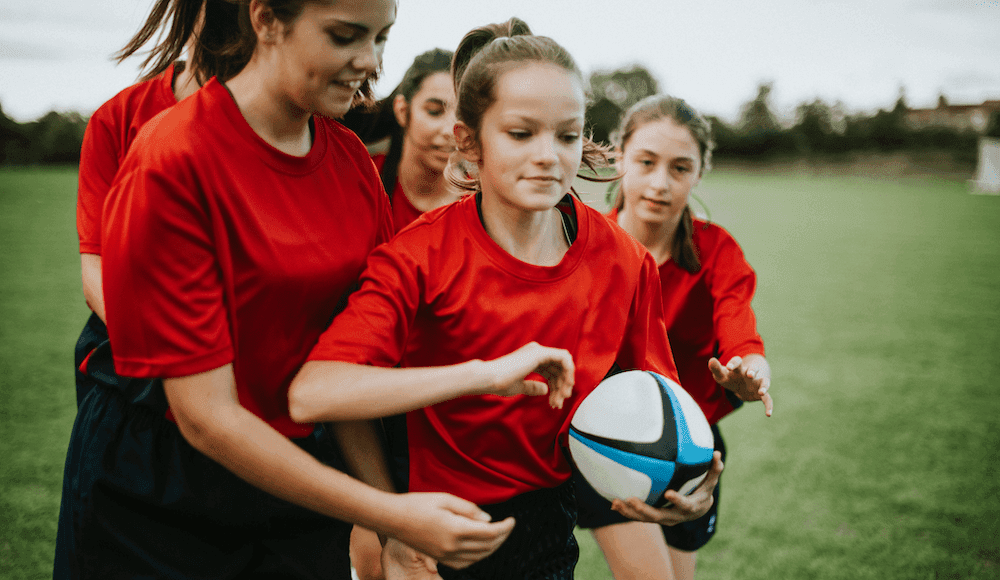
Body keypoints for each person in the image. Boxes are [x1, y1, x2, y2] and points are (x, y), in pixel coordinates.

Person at [54, 1, 516, 578]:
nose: (368, 62)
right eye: (345, 36)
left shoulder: (348, 159)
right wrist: (388, 511)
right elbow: (206, 418)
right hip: (158, 486)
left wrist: (383, 521)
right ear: (267, 20)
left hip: (301, 478)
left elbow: (343, 366)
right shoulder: (171, 161)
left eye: (380, 38)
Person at [287, 19, 724, 580]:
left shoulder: (624, 261)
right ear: (470, 140)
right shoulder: (417, 256)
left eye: (567, 135)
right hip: (432, 527)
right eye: (521, 134)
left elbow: (654, 407)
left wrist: (687, 481)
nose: (548, 156)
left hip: (546, 528)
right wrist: (485, 375)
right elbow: (316, 392)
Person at [573, 94, 774, 580]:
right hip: (609, 440)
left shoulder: (716, 250)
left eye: (680, 168)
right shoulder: (582, 241)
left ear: (699, 173)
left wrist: (751, 369)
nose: (660, 183)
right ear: (621, 157)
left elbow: (739, 331)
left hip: (692, 449)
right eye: (646, 162)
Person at [74, 9, 202, 407]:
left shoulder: (297, 125)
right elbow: (96, 264)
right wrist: (173, 354)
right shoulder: (119, 117)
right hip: (137, 373)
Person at [341, 48, 463, 235]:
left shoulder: (483, 202)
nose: (450, 130)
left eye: (461, 116)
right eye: (434, 111)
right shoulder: (363, 180)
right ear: (402, 111)